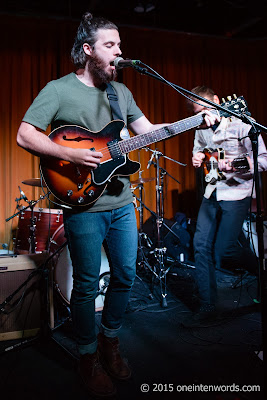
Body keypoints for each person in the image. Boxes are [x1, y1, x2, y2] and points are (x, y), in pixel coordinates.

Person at [16, 13, 217, 397]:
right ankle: (87, 356)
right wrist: (67, 155)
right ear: (88, 51)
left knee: (126, 275)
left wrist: (194, 123)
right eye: (111, 45)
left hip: (122, 202)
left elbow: (149, 132)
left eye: (120, 45)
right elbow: (25, 134)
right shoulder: (58, 90)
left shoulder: (120, 93)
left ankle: (110, 340)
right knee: (87, 284)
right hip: (84, 206)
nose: (120, 52)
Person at [183, 85, 267, 327]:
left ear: (217, 101)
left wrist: (236, 164)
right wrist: (196, 158)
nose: (204, 119)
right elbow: (198, 153)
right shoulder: (201, 127)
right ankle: (208, 305)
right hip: (212, 192)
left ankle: (262, 274)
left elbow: (263, 160)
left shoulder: (243, 123)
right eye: (199, 115)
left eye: (206, 111)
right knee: (200, 246)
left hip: (237, 193)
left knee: (226, 251)